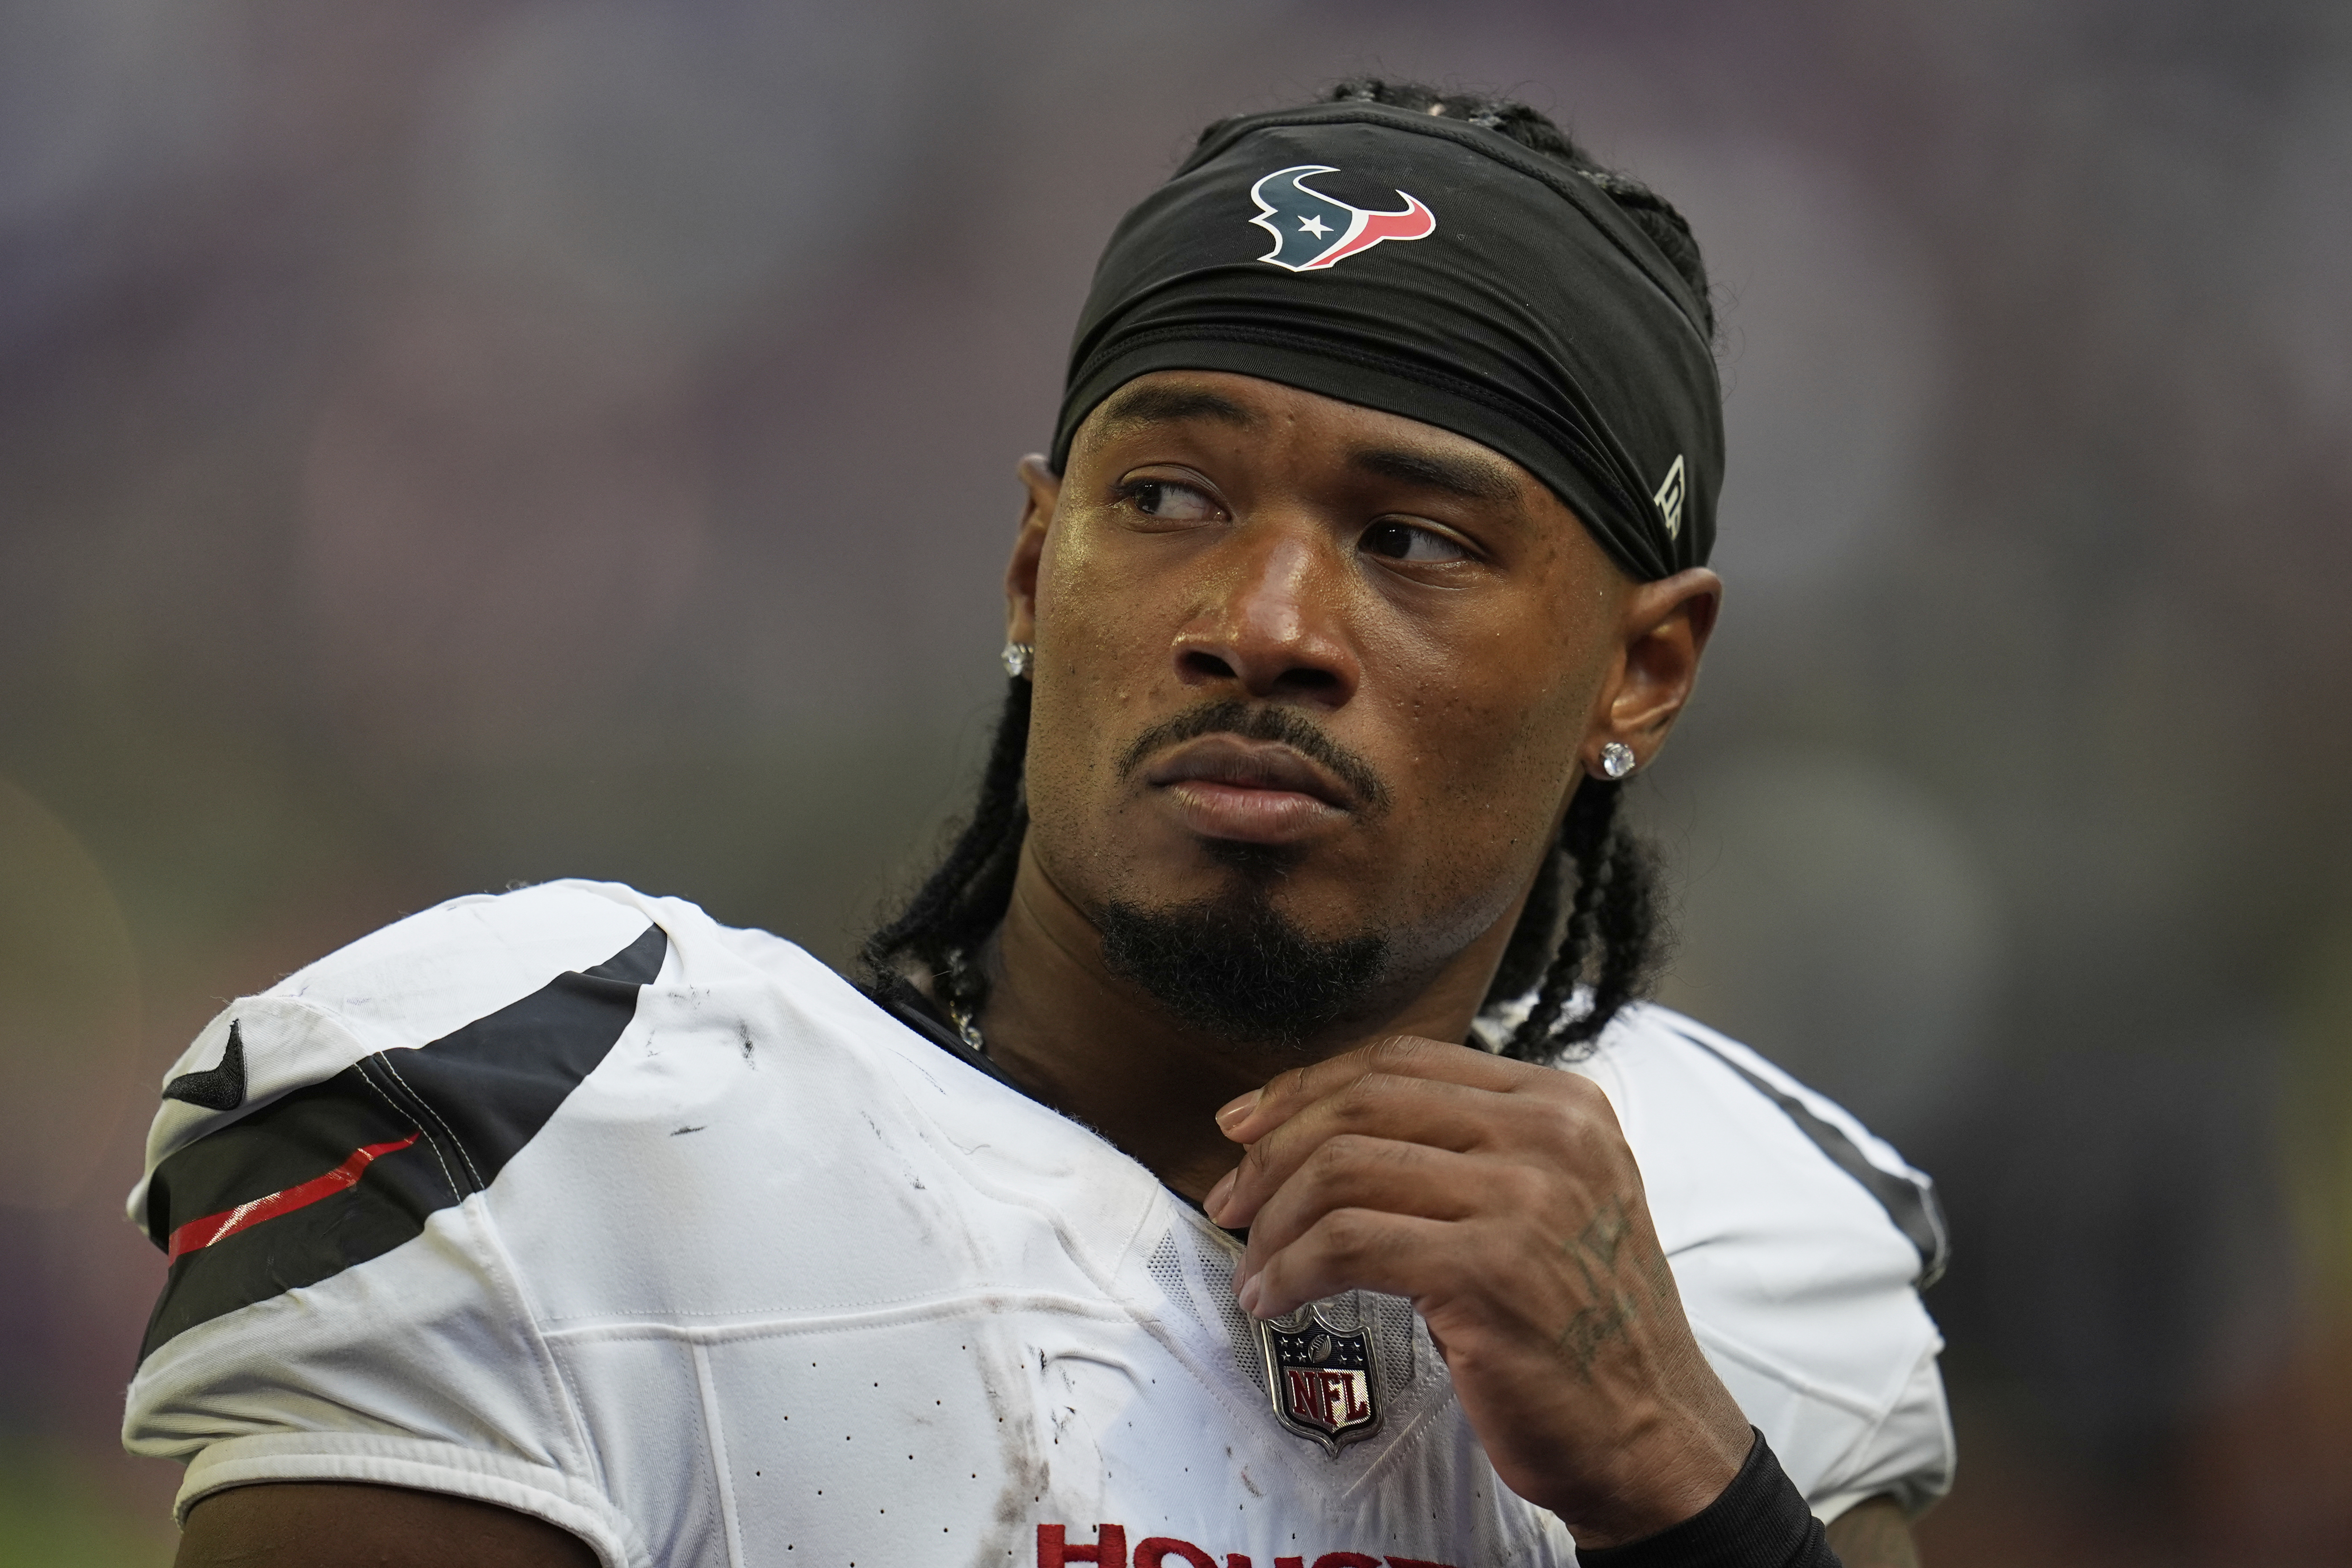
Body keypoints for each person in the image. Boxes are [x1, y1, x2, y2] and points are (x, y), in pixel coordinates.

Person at [126, 80, 1953, 1568]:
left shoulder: (1733, 1252)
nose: (1266, 620)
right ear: (1032, 557)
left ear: (1642, 669)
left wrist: (1695, 1495)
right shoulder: (573, 1126)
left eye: (1413, 539)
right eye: (1167, 492)